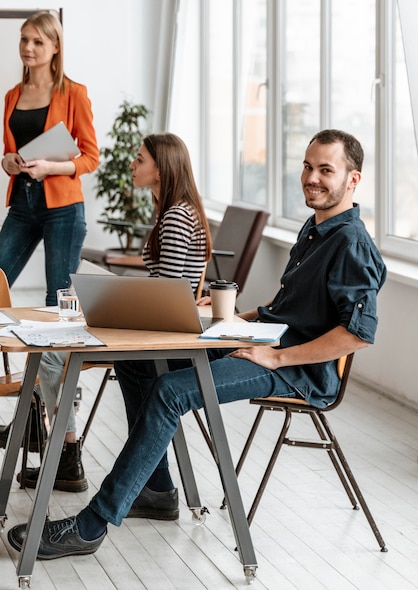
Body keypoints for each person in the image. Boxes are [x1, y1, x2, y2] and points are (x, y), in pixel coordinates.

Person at [7, 129, 387, 560]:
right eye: (307, 166)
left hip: (298, 369)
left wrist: (276, 357)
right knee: (141, 362)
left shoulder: (352, 243)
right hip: (267, 342)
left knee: (172, 391)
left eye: (325, 170)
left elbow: (357, 334)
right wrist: (231, 320)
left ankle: (92, 526)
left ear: (352, 180)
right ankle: (158, 489)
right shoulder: (315, 228)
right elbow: (286, 308)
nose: (311, 178)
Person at [12, 132, 212, 499]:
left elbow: (165, 295)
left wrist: (109, 299)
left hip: (160, 337)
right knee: (64, 337)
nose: (132, 164)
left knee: (54, 354)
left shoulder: (176, 218)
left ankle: (67, 452)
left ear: (161, 168)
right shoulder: (176, 212)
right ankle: (86, 460)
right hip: (161, 331)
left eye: (140, 159)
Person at [0, 10, 99, 458]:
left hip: (62, 208)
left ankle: (67, 438)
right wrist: (9, 163)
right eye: (24, 40)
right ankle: (31, 410)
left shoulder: (73, 93)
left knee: (61, 319)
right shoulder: (13, 95)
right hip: (22, 204)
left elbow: (89, 158)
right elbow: (9, 152)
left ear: (55, 47)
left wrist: (51, 166)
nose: (28, 48)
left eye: (38, 41)